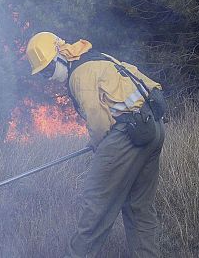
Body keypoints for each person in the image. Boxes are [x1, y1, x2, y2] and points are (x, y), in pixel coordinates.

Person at [25, 32, 165, 258]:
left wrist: (98, 144)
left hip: (127, 135)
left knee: (95, 207)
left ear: (60, 54)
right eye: (43, 75)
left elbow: (98, 121)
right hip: (153, 128)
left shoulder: (79, 74)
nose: (49, 77)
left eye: (48, 69)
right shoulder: (98, 57)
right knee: (139, 207)